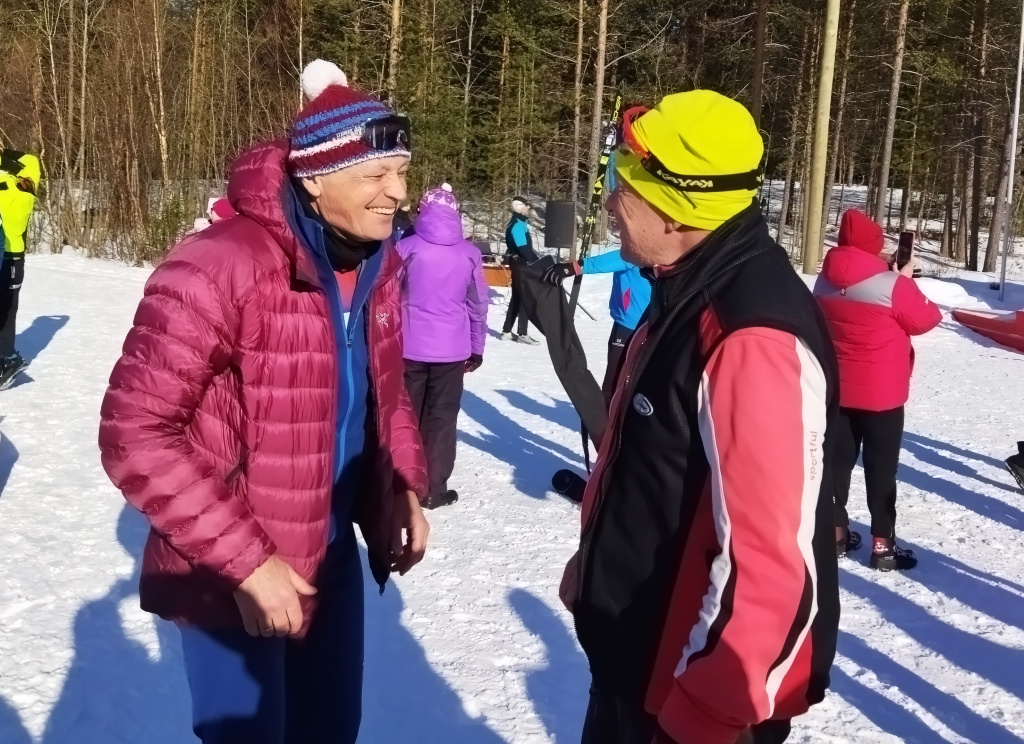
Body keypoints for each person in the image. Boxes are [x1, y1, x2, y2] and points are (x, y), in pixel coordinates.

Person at [98, 59, 430, 744]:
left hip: (330, 553)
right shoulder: (218, 265)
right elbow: (135, 431)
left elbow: (385, 396)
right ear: (314, 179)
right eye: (376, 175)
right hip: (232, 575)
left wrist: (402, 485)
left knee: (331, 729)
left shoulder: (378, 264)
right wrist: (247, 560)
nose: (398, 192)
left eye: (400, 172)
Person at [558, 91, 840, 744]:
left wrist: (704, 717)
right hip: (638, 656)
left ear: (677, 207)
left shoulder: (747, 334)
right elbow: (653, 468)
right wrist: (595, 564)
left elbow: (772, 571)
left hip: (689, 702)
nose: (607, 207)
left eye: (620, 190)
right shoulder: (684, 285)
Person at [814, 209, 941, 571]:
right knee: (881, 469)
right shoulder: (892, 284)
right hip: (883, 397)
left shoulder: (823, 280)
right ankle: (883, 546)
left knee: (837, 464)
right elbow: (927, 320)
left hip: (838, 390)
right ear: (876, 246)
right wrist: (903, 279)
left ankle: (836, 534)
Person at [396, 183, 488, 510]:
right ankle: (434, 488)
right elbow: (477, 305)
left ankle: (402, 484)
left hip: (408, 348)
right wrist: (477, 346)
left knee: (405, 415)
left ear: (424, 211)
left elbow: (387, 297)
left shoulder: (407, 248)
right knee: (442, 418)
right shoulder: (469, 253)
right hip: (452, 350)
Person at [543, 246, 651, 404]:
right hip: (648, 323)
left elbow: (616, 259)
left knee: (614, 382)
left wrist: (574, 267)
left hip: (630, 326)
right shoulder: (658, 247)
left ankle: (606, 423)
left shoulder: (637, 249)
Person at [0, 146, 42, 390]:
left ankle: (7, 359)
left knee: (7, 307)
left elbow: (27, 171)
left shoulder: (25, 170)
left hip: (13, 254)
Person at [500, 195, 540, 344]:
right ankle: (522, 334)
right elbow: (523, 248)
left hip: (519, 263)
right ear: (518, 207)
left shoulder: (518, 223)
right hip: (521, 264)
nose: (528, 208)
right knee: (525, 298)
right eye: (526, 205)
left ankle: (506, 331)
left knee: (517, 297)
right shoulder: (517, 224)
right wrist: (535, 262)